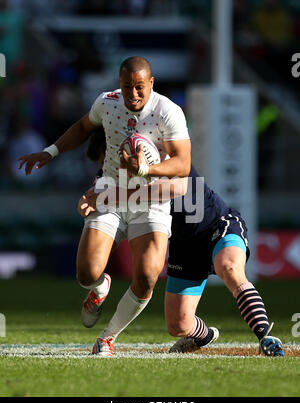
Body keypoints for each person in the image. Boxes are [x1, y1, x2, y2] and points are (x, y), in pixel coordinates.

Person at [18, 56, 191, 357]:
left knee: (148, 276)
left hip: (150, 199)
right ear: (119, 84)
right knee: (86, 272)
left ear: (151, 83)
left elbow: (183, 164)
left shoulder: (168, 112)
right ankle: (99, 289)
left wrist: (145, 170)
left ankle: (107, 338)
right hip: (109, 193)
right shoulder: (106, 103)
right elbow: (83, 127)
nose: (133, 95)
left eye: (140, 87)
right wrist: (51, 152)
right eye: (127, 87)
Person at [80, 132, 284, 358]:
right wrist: (89, 205)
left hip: (216, 225)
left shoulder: (162, 155)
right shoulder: (111, 178)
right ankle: (204, 336)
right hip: (183, 245)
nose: (107, 168)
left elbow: (172, 188)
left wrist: (116, 194)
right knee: (178, 324)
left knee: (229, 268)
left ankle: (266, 337)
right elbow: (103, 203)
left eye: (105, 160)